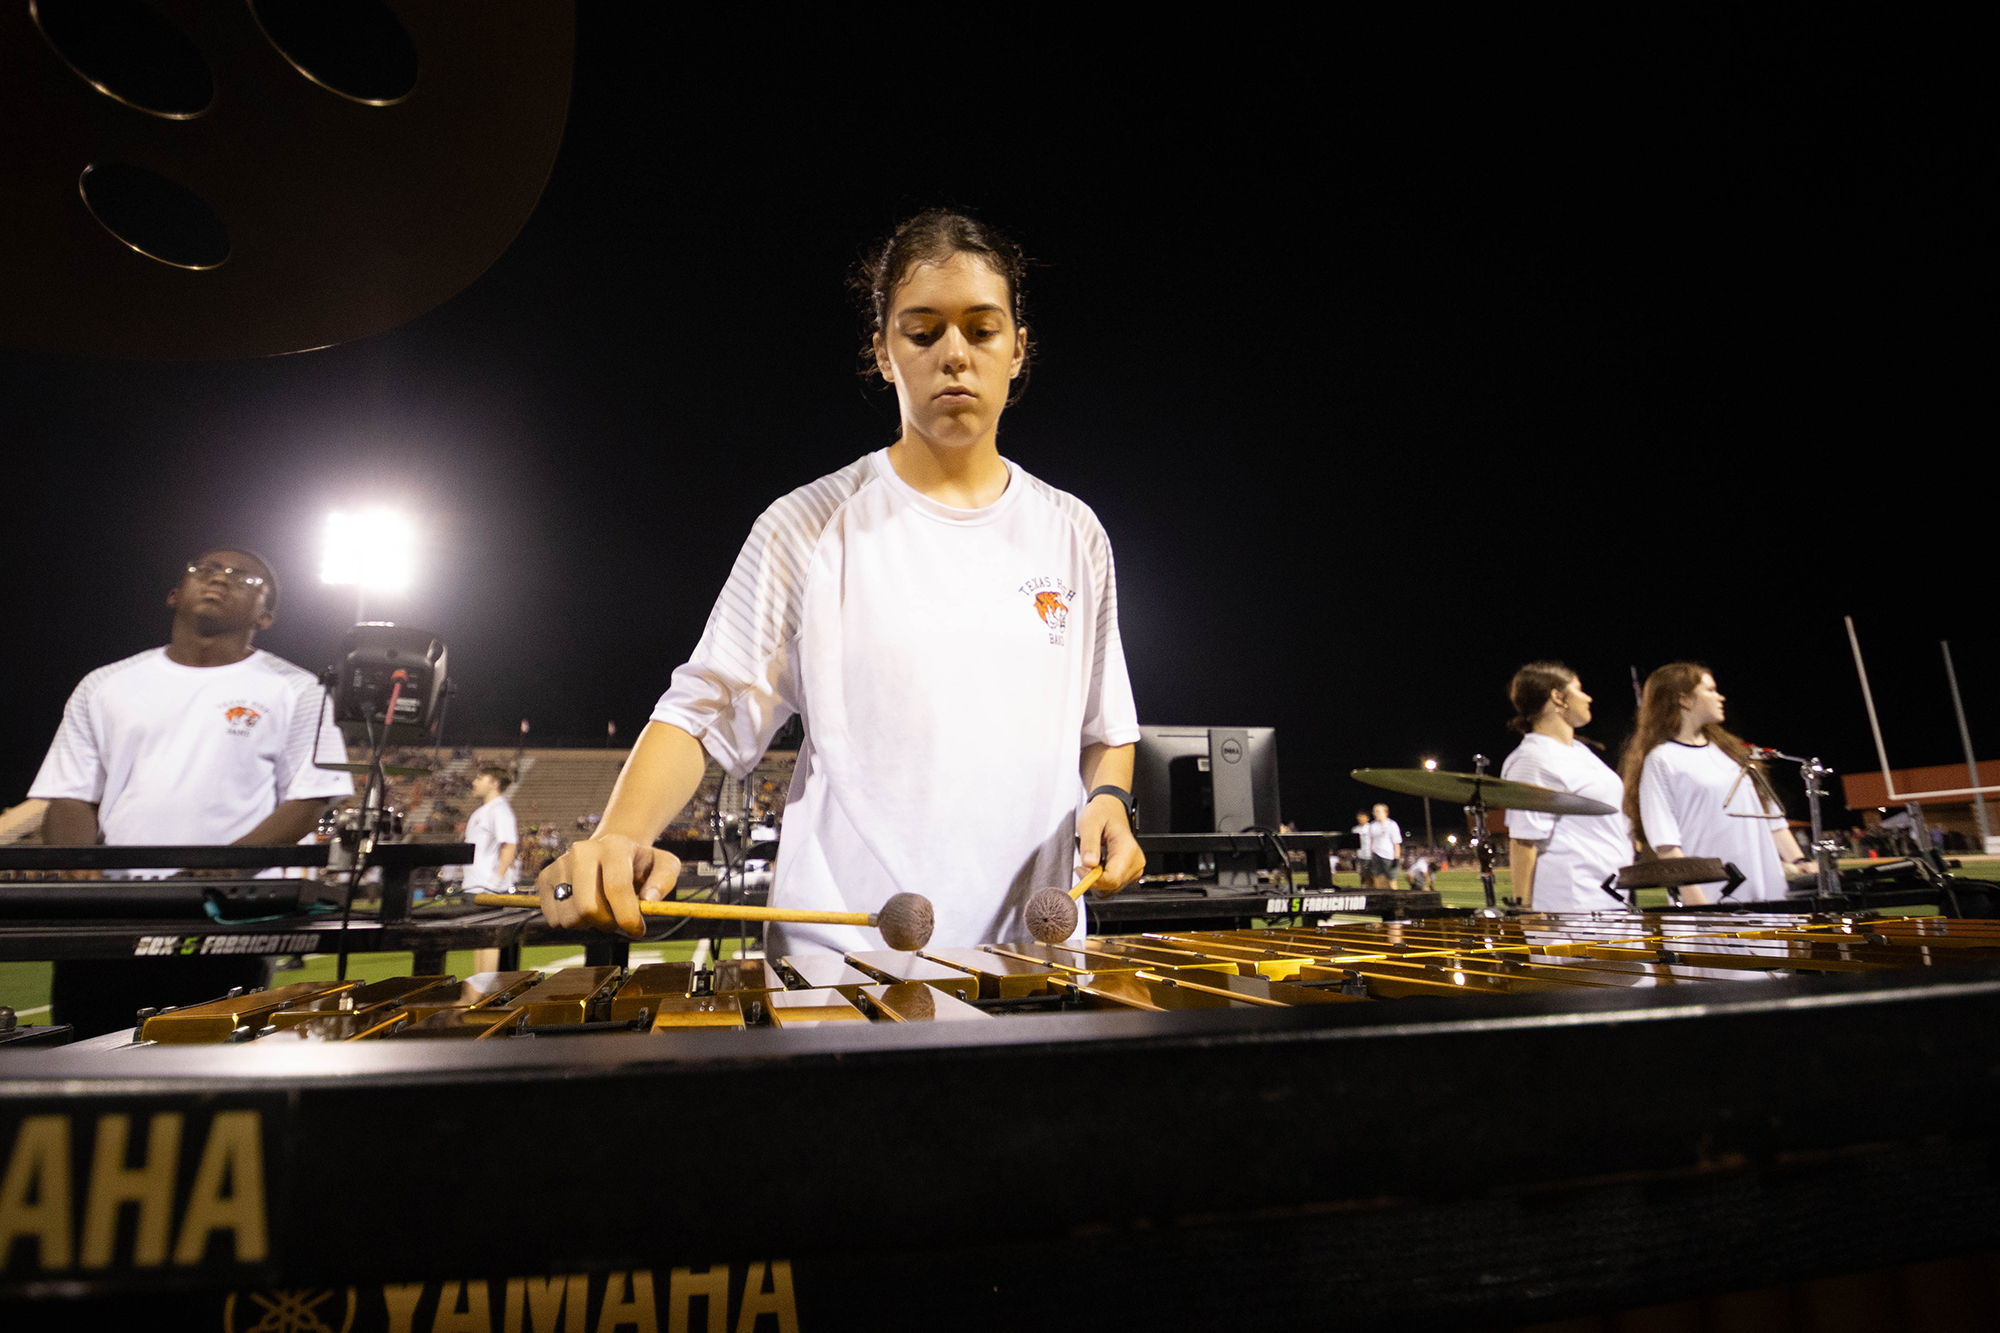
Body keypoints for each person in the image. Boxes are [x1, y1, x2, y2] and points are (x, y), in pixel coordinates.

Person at [535, 209, 1145, 952]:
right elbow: (702, 709)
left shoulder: (1074, 531)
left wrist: (1110, 796)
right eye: (922, 331)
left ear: (1019, 350)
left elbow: (1105, 730)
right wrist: (618, 834)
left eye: (981, 330)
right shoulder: (807, 526)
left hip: (1034, 961)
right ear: (884, 353)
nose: (954, 353)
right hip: (845, 969)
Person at [29, 548, 354, 1036]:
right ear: (174, 593)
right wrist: (84, 878)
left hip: (223, 919)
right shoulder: (105, 684)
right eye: (205, 570)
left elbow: (310, 799)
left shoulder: (298, 689)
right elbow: (70, 793)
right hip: (111, 917)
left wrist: (207, 875)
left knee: (211, 1080)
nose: (220, 579)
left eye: (243, 577)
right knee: (86, 1072)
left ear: (266, 615)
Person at [1622, 663, 1813, 903]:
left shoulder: (1732, 753)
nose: (1720, 697)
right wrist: (1697, 903)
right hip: (1715, 897)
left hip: (1770, 892)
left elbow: (1771, 818)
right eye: (1710, 690)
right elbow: (1666, 842)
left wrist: (1800, 863)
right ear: (1685, 700)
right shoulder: (1661, 760)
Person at [1498, 661, 1633, 912]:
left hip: (1612, 893)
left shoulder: (1580, 751)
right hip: (1570, 901)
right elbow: (1523, 841)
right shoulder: (1531, 758)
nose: (1588, 698)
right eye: (1579, 689)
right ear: (1558, 697)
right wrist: (1526, 911)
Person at [463, 765, 519, 971]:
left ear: (494, 783)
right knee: (479, 943)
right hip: (476, 888)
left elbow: (510, 844)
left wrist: (496, 881)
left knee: (487, 944)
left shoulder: (499, 809)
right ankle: (479, 996)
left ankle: (483, 996)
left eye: (480, 778)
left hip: (487, 890)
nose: (474, 782)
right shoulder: (483, 811)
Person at [1361, 803, 1402, 889]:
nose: (1376, 813)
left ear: (1385, 812)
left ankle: (1395, 898)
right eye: (1375, 811)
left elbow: (1396, 843)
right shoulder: (1372, 825)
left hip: (1388, 856)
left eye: (1379, 811)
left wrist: (1396, 858)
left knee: (1391, 880)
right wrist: (1371, 856)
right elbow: (1371, 841)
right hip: (1376, 855)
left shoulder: (1392, 824)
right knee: (1378, 879)